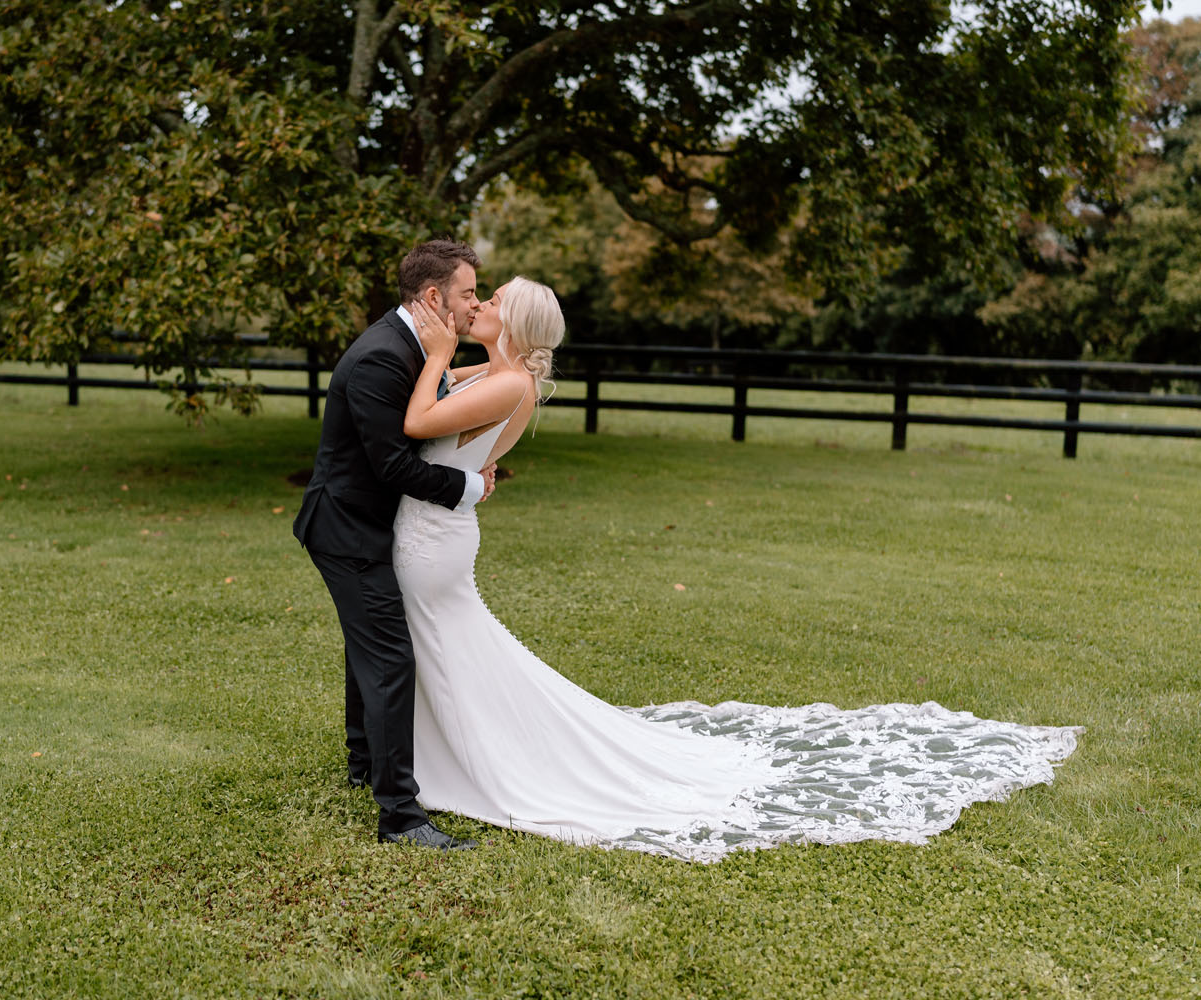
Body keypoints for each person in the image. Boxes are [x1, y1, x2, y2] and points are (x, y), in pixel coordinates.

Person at [392, 276, 1082, 861]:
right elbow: (439, 398)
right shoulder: (493, 373)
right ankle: (441, 756)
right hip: (443, 529)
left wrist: (443, 351)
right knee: (458, 652)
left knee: (450, 651)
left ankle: (467, 766)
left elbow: (422, 420)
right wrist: (445, 358)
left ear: (514, 321)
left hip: (436, 542)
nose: (478, 302)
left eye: (494, 298)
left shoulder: (505, 379)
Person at [293, 240, 495, 850]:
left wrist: (498, 368)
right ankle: (401, 818)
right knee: (388, 659)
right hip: (347, 529)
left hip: (365, 525)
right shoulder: (383, 357)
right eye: (466, 293)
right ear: (434, 297)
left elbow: (432, 392)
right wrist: (470, 487)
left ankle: (363, 765)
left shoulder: (407, 343)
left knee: (372, 648)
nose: (474, 303)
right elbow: (393, 467)